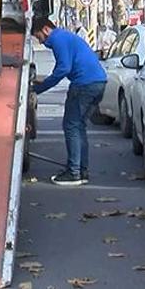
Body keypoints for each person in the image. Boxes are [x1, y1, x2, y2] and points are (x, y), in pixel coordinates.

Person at [32, 17, 107, 186]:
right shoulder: (65, 36)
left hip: (84, 85)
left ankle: (74, 172)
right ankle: (81, 170)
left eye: (39, 37)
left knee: (71, 125)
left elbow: (63, 68)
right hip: (98, 82)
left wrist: (40, 88)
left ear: (45, 29)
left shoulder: (57, 39)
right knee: (79, 127)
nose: (41, 42)